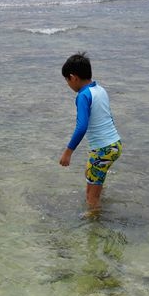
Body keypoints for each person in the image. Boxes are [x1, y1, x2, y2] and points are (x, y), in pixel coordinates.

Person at [59, 52, 122, 209]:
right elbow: (108, 117)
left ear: (73, 77)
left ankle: (94, 226)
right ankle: (99, 203)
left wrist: (68, 152)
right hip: (114, 144)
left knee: (90, 197)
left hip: (103, 149)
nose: (68, 85)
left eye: (67, 80)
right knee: (91, 175)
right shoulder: (100, 90)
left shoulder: (83, 96)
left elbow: (81, 127)